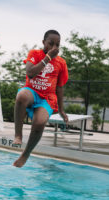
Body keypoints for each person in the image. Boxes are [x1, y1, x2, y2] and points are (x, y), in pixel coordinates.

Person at [12, 30, 69, 168]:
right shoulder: (35, 54)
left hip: (48, 98)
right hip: (32, 91)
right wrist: (47, 58)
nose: (54, 48)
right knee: (21, 96)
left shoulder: (61, 63)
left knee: (40, 122)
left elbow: (60, 87)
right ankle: (18, 135)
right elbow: (30, 73)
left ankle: (26, 154)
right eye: (51, 43)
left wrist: (61, 110)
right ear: (44, 42)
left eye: (57, 45)